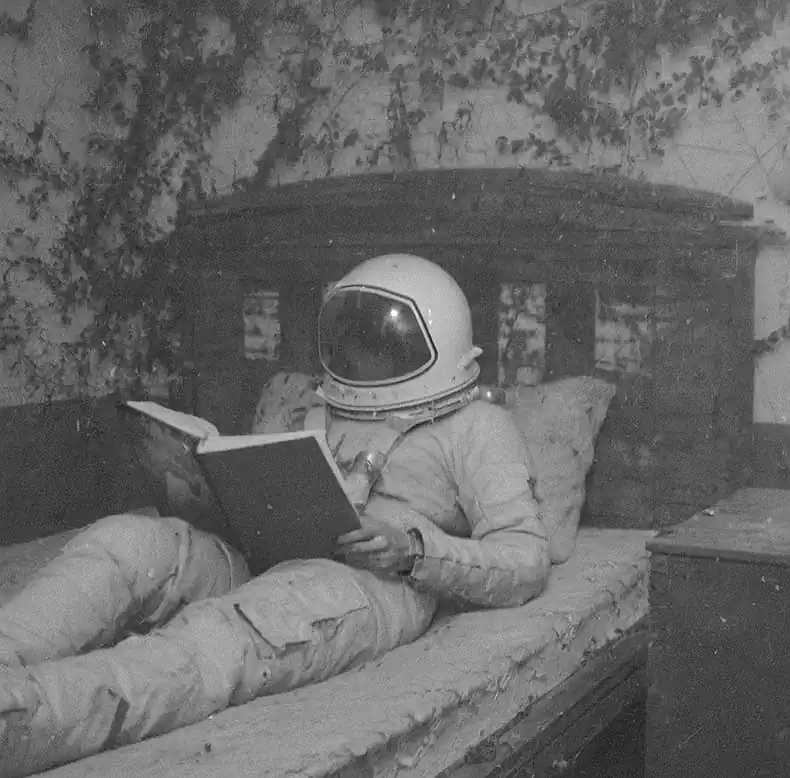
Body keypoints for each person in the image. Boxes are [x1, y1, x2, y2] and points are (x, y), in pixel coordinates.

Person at [0, 254, 551, 777]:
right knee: (126, 543)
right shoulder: (312, 406)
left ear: (435, 342)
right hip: (264, 551)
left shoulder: (477, 427)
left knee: (227, 631)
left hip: (372, 580)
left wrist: (413, 550)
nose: (362, 359)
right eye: (353, 342)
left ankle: (30, 718)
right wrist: (199, 488)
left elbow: (526, 560)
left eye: (382, 347)